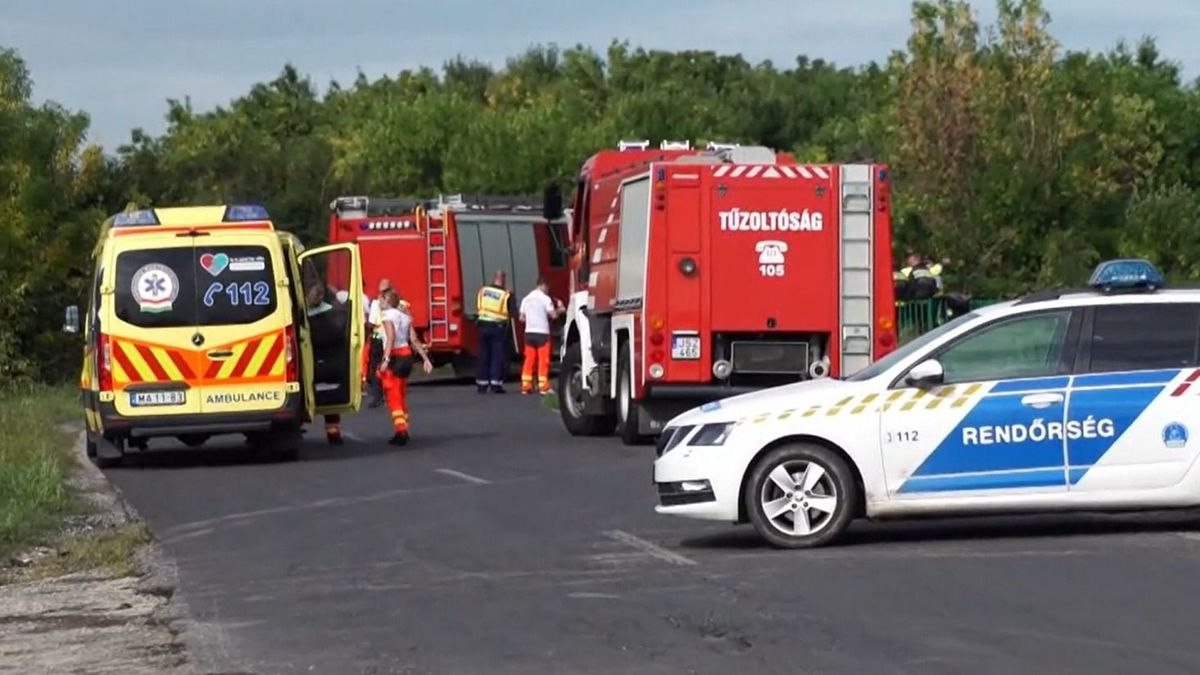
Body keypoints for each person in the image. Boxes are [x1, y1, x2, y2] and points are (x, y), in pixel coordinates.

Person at [378, 288, 433, 446]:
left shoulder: (387, 316)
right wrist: (425, 359)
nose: (379, 303)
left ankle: (401, 431)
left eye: (381, 299)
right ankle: (403, 428)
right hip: (407, 355)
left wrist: (386, 359)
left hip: (395, 355)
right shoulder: (405, 317)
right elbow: (414, 340)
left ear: (387, 301)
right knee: (401, 393)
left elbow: (390, 338)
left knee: (393, 395)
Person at [305, 281, 349, 446]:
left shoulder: (304, 317)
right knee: (331, 401)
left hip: (312, 365)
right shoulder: (333, 316)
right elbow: (340, 337)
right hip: (331, 364)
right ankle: (333, 433)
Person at [474, 270, 517, 394]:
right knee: (497, 356)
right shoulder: (506, 295)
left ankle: (482, 385)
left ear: (494, 278)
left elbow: (478, 306)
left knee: (483, 355)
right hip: (497, 328)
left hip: (482, 326)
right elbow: (513, 312)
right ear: (503, 279)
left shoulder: (483, 291)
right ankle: (495, 384)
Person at [518, 276, 563, 395]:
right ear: (545, 286)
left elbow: (521, 318)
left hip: (529, 333)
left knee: (529, 359)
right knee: (543, 360)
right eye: (548, 288)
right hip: (542, 333)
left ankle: (526, 386)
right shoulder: (545, 299)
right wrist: (560, 309)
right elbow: (553, 315)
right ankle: (543, 386)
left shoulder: (526, 299)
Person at [365, 279, 390, 408]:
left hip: (378, 338)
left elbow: (373, 322)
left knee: (374, 368)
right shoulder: (396, 303)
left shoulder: (376, 303)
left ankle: (378, 396)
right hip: (390, 340)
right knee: (388, 367)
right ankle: (390, 393)